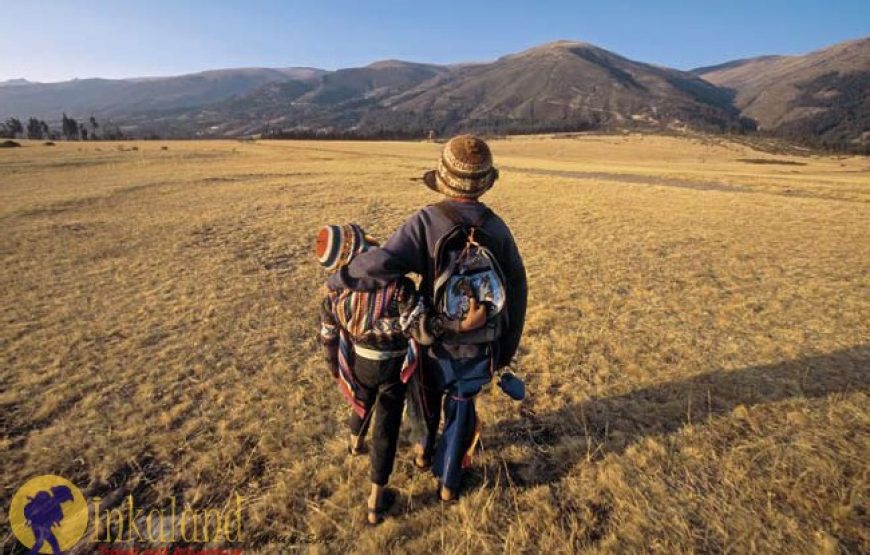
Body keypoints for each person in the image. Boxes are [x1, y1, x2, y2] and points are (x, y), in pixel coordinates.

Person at [327, 135, 527, 501]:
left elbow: (384, 261)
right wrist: (506, 348)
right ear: (485, 182)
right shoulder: (498, 228)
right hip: (482, 343)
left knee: (424, 397)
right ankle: (449, 482)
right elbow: (517, 288)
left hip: (433, 339)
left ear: (443, 178)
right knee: (462, 406)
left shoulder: (426, 221)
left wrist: (341, 278)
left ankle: (422, 449)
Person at [316, 223, 481, 523]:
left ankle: (355, 442)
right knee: (387, 426)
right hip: (393, 366)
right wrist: (459, 325)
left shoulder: (333, 293)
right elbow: (423, 330)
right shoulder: (398, 287)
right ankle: (375, 499)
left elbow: (328, 336)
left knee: (361, 397)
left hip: (359, 363)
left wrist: (334, 367)